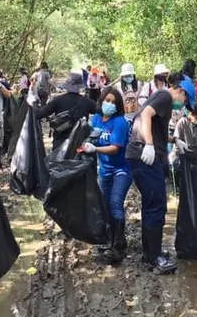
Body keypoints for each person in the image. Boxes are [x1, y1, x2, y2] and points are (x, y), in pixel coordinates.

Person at [125, 72, 187, 274]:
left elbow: (155, 126)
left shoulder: (161, 98)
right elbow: (144, 115)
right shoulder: (165, 96)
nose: (183, 104)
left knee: (151, 203)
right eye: (185, 99)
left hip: (140, 154)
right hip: (144, 155)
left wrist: (173, 140)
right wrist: (149, 145)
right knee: (157, 205)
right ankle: (154, 257)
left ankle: (150, 253)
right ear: (179, 90)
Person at [80, 87, 131, 264]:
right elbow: (91, 138)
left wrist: (95, 149)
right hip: (104, 170)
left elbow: (115, 148)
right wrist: (85, 144)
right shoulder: (96, 119)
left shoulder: (120, 123)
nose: (109, 104)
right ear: (101, 101)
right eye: (106, 100)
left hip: (121, 170)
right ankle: (111, 239)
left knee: (116, 203)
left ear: (118, 106)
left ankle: (118, 246)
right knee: (104, 204)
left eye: (113, 102)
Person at [35, 71, 98, 150]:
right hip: (80, 143)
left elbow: (39, 114)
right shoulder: (87, 102)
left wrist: (32, 103)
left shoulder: (57, 100)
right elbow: (102, 112)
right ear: (79, 87)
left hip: (60, 143)